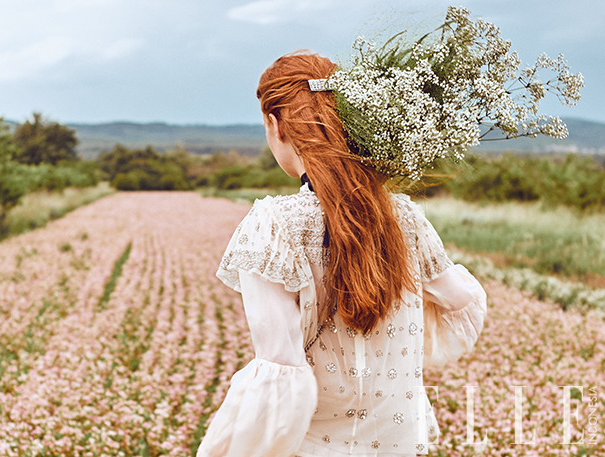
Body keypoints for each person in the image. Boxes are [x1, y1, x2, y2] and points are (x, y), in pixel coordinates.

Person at [196, 52, 487, 457]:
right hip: (396, 441)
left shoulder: (273, 224)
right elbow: (459, 301)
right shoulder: (402, 215)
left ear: (274, 124)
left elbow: (280, 363)